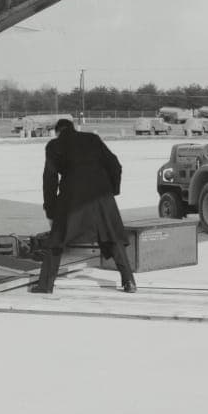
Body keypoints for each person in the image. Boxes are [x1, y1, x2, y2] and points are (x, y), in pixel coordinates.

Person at [35, 118, 136, 294]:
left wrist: (50, 210)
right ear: (74, 128)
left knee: (56, 240)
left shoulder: (54, 145)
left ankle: (45, 286)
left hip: (72, 197)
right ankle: (129, 281)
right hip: (102, 196)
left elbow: (49, 179)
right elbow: (115, 165)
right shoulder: (92, 139)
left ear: (57, 132)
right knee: (113, 236)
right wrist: (112, 191)